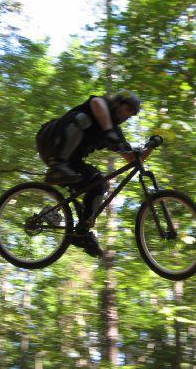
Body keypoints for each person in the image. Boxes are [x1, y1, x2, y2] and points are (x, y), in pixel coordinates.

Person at [35, 90, 143, 257]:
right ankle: (57, 166)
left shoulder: (116, 132)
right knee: (83, 119)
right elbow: (96, 104)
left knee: (100, 185)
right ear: (119, 103)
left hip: (72, 162)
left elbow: (132, 158)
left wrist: (149, 147)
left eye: (131, 114)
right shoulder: (103, 104)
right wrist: (108, 131)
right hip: (51, 139)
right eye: (128, 110)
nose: (128, 116)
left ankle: (82, 232)